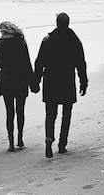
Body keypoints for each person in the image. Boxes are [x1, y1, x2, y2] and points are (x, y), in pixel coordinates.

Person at [34, 12, 88, 158]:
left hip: (50, 80)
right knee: (66, 114)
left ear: (57, 23)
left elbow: (39, 62)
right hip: (67, 80)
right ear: (68, 23)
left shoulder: (47, 41)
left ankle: (48, 139)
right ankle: (62, 144)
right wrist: (84, 82)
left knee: (50, 114)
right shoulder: (75, 41)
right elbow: (81, 64)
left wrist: (36, 81)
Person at [0, 21, 38, 151]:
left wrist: (5, 62)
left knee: (9, 112)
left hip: (7, 80)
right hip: (21, 79)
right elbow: (27, 63)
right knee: (20, 110)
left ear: (4, 31)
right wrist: (33, 83)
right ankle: (20, 139)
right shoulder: (21, 42)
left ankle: (11, 143)